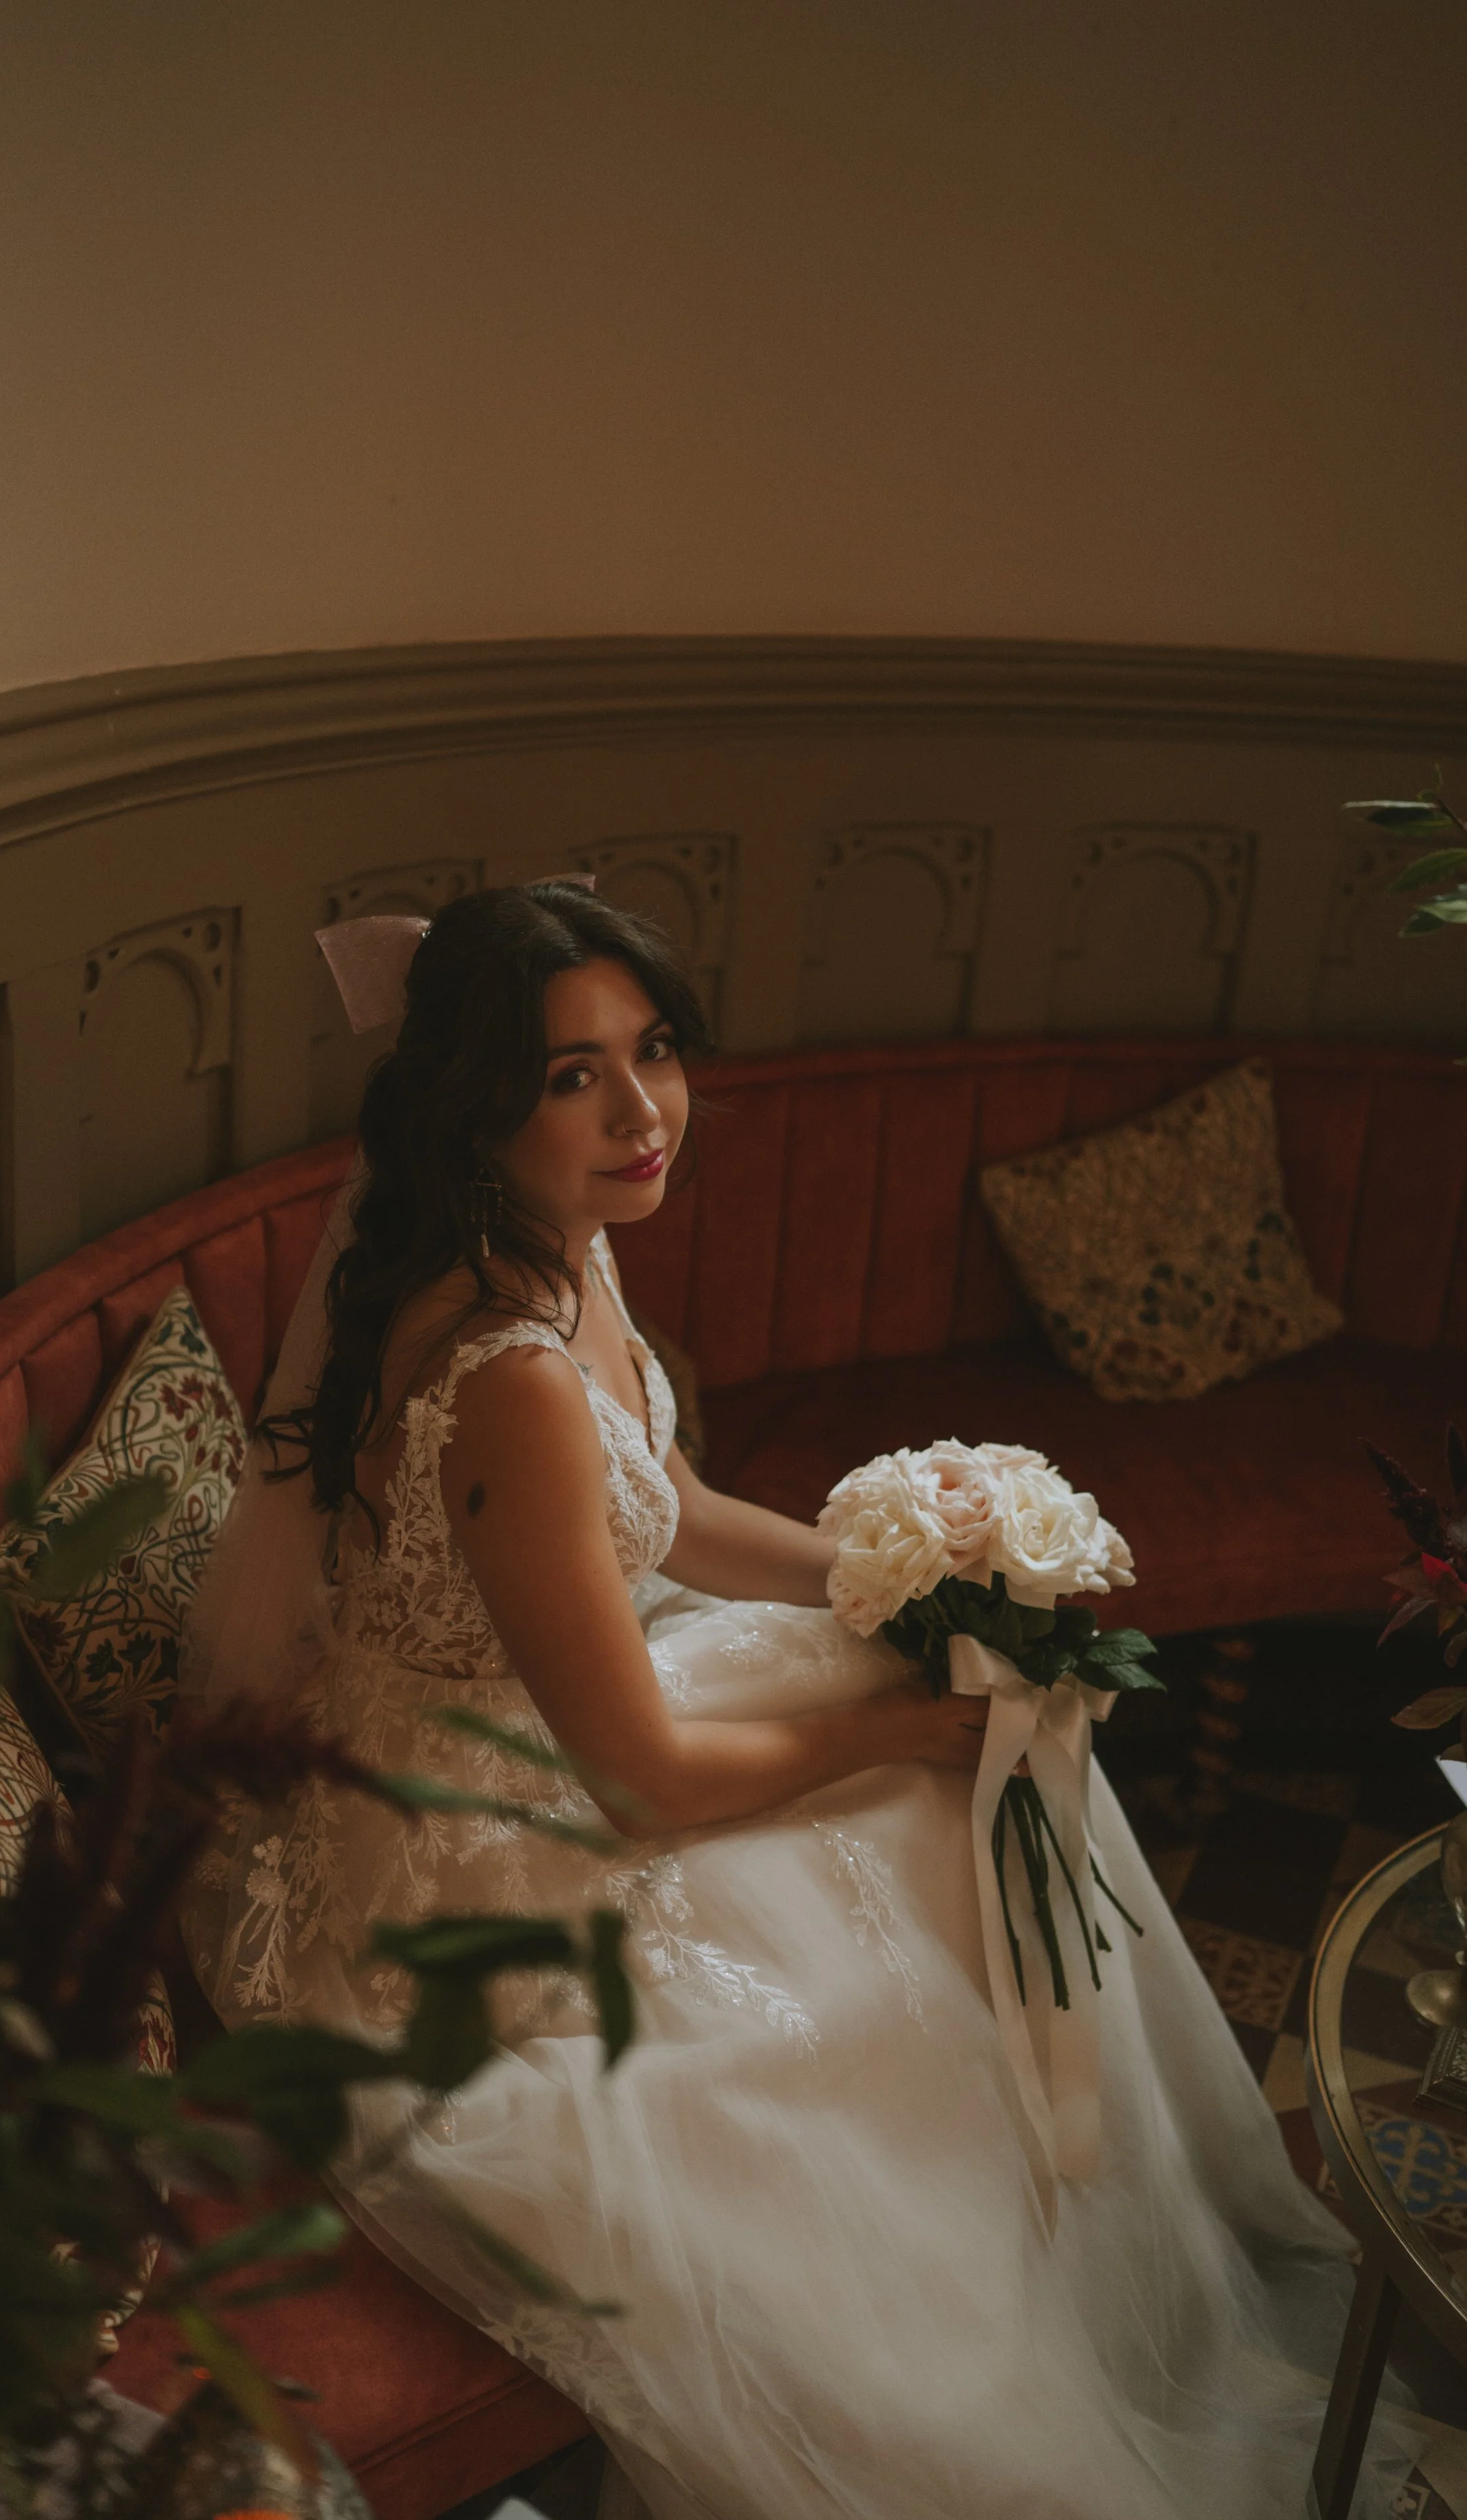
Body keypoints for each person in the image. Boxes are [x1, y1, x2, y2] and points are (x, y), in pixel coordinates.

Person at [181, 880, 1411, 2520]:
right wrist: (904, 1726)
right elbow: (635, 1783)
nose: (641, 1112)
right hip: (477, 1851)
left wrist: (899, 1568)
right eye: (572, 1077)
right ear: (479, 1111)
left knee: (922, 1720)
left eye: (655, 1052)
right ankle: (1009, 2319)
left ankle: (1085, 2242)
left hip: (579, 1719)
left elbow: (671, 1512)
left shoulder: (566, 1253)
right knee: (896, 1876)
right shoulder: (510, 1382)